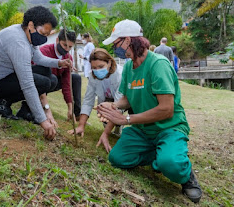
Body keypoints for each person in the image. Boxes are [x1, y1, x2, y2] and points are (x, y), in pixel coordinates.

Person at [96, 19, 202, 203]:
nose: (115, 49)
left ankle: (187, 177)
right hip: (144, 130)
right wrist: (113, 106)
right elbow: (128, 98)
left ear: (128, 40)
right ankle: (160, 155)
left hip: (169, 128)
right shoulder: (129, 66)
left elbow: (166, 109)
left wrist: (127, 119)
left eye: (116, 43)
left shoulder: (158, 65)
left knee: (172, 165)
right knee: (117, 158)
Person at [0, 6, 72, 140]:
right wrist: (43, 120)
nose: (44, 38)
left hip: (6, 76)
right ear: (31, 25)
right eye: (43, 34)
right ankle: (2, 103)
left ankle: (25, 111)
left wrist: (59, 63)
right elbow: (27, 84)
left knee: (50, 78)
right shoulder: (18, 42)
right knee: (43, 82)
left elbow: (38, 58)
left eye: (47, 35)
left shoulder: (26, 32)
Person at [20, 29, 82, 124]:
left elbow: (66, 83)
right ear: (57, 40)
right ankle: (33, 106)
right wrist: (47, 110)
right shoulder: (45, 51)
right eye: (64, 45)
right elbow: (40, 79)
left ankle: (76, 114)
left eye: (70, 47)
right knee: (49, 78)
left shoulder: (68, 58)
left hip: (53, 82)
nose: (66, 49)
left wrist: (70, 107)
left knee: (75, 78)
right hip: (36, 82)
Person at [68, 48, 123, 138]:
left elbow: (119, 102)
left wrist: (106, 133)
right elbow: (88, 100)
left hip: (122, 99)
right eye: (94, 68)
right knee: (104, 115)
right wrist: (81, 126)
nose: (97, 70)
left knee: (114, 113)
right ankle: (113, 124)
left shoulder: (120, 75)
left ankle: (118, 126)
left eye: (101, 67)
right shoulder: (93, 77)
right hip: (106, 99)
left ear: (109, 63)